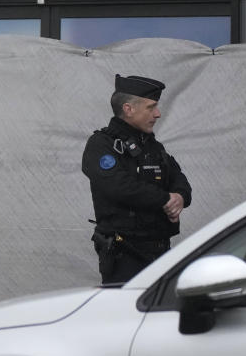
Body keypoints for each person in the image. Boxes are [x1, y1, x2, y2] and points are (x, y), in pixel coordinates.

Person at [81, 74, 192, 284]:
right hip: (125, 256)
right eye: (151, 107)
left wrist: (180, 196)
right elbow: (119, 186)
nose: (157, 114)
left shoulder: (153, 146)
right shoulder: (102, 144)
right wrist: (165, 199)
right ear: (128, 109)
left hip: (159, 252)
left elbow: (178, 178)